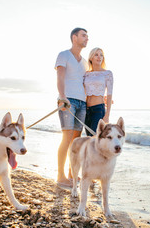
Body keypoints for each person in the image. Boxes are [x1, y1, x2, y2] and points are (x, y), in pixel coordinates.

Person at [54, 27, 89, 187]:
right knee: (67, 139)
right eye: (83, 36)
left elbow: (86, 83)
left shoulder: (85, 62)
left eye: (87, 36)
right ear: (74, 37)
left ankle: (71, 174)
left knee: (76, 141)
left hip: (83, 102)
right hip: (68, 101)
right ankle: (60, 176)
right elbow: (60, 76)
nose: (86, 38)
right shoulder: (64, 55)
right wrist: (62, 97)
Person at [84, 47, 113, 136]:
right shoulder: (86, 74)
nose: (99, 57)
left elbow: (109, 94)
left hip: (98, 110)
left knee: (94, 138)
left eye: (101, 55)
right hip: (85, 110)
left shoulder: (107, 73)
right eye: (96, 55)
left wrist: (107, 115)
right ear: (91, 58)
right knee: (89, 138)